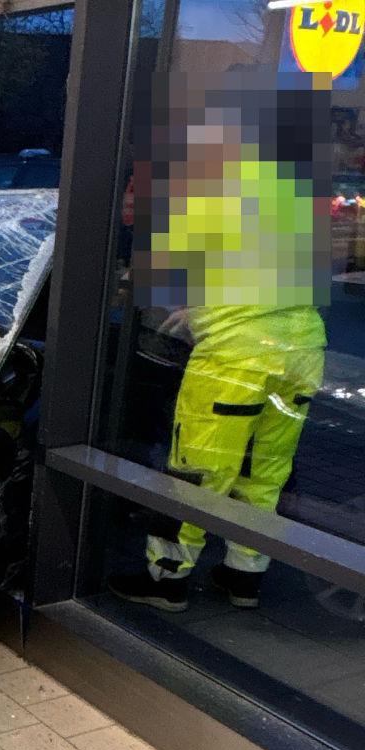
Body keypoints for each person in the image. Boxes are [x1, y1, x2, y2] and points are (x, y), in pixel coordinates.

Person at [109, 72, 328, 612]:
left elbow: (162, 267)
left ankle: (166, 580)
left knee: (196, 471)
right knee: (264, 472)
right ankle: (243, 578)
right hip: (302, 348)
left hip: (235, 353)